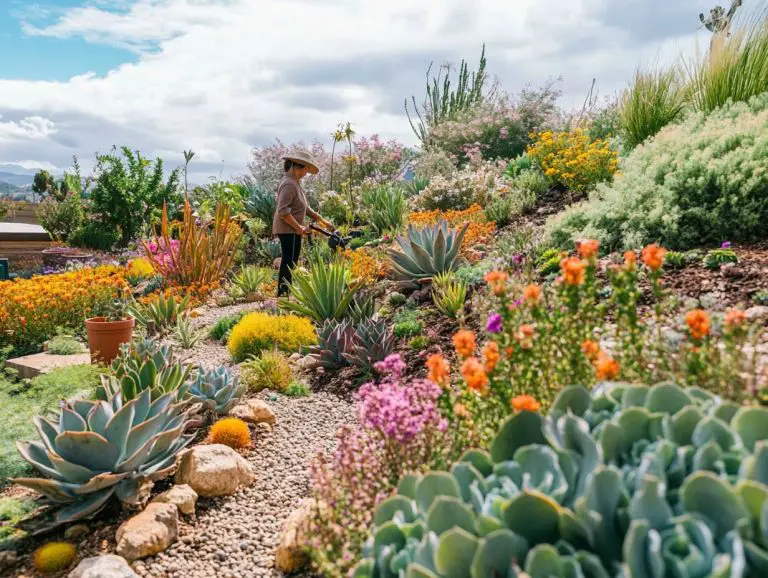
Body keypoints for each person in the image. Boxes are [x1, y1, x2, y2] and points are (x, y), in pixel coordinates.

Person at [272, 150, 334, 297]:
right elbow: (283, 211)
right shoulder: (289, 184)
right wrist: (298, 227)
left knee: (291, 259)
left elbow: (304, 208)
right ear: (296, 166)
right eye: (305, 169)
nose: (306, 173)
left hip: (292, 229)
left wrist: (322, 221)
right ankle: (283, 294)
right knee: (289, 260)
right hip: (288, 229)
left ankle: (285, 292)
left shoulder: (295, 183)